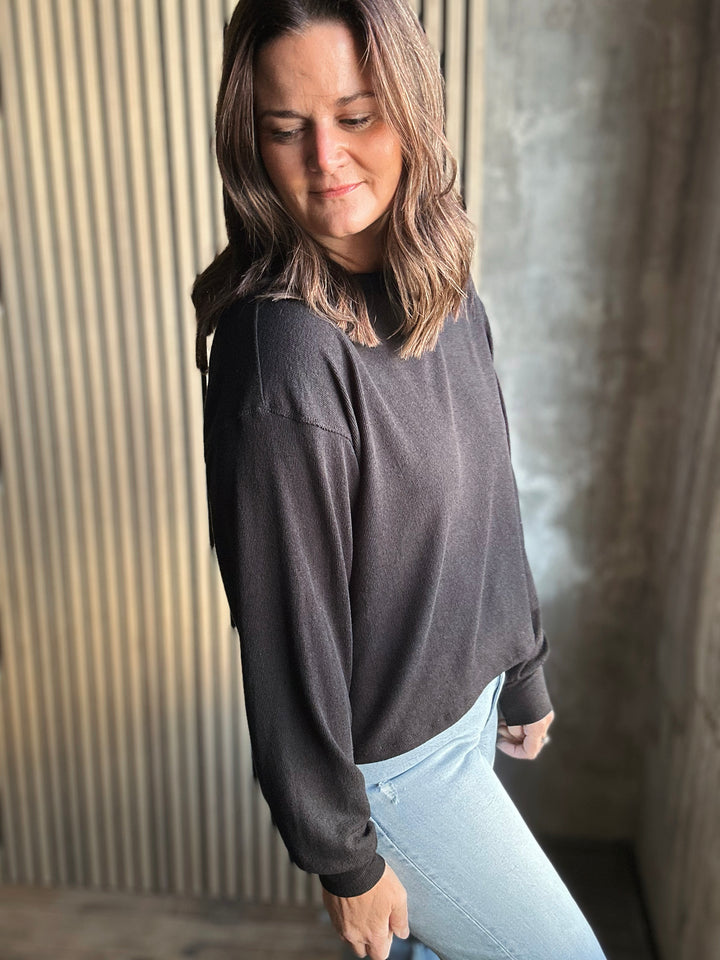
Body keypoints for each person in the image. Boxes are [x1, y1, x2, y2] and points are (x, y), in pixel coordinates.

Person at [194, 1, 608, 958]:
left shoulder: (440, 278)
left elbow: (489, 491)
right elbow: (284, 626)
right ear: (251, 144)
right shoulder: (285, 349)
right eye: (284, 128)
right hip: (396, 770)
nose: (325, 160)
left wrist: (524, 666)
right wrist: (344, 856)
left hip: (464, 711)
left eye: (356, 114)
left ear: (410, 110)